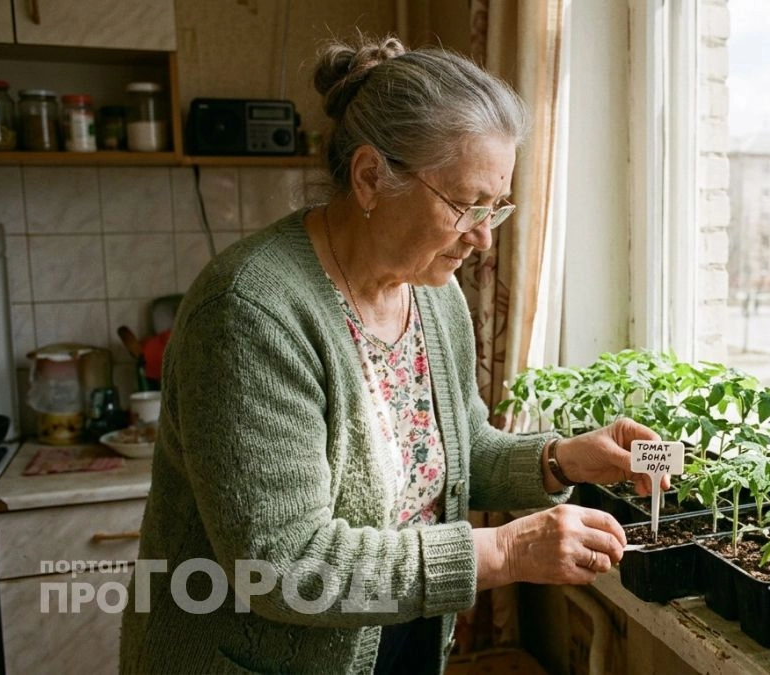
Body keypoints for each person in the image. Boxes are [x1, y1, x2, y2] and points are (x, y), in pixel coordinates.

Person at [120, 35, 666, 674]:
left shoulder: (433, 294)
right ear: (371, 177)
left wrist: (562, 459)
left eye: (496, 209)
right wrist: (505, 552)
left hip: (401, 640)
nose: (484, 239)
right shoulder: (249, 313)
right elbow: (283, 566)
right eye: (466, 205)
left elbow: (458, 450)